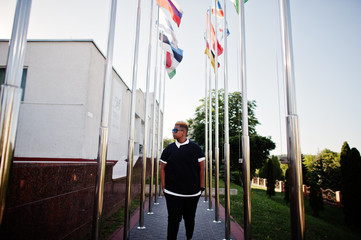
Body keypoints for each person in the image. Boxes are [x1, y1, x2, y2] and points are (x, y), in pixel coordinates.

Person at [160, 121, 205, 240]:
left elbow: (202, 168)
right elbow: (162, 168)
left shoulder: (195, 148)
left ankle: (188, 238)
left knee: (189, 219)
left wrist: (201, 187)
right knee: (173, 220)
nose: (173, 132)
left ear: (183, 132)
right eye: (173, 130)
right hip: (172, 193)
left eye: (175, 130)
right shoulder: (169, 149)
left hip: (192, 193)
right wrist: (164, 186)